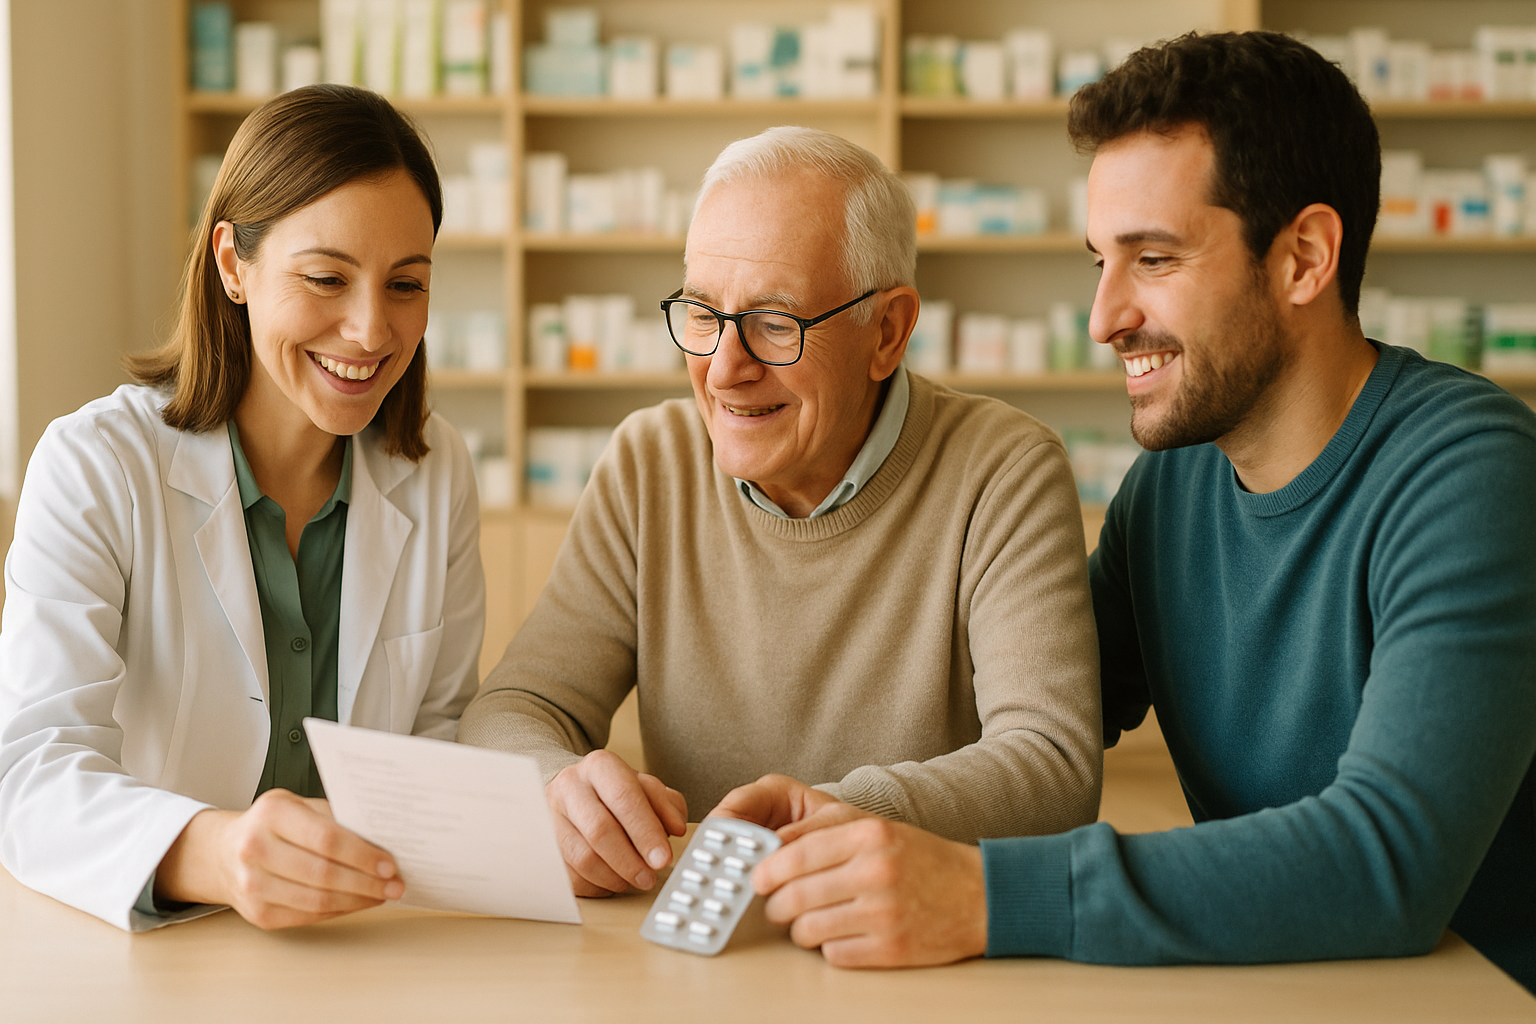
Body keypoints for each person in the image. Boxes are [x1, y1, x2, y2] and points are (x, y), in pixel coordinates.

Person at [729, 30, 1536, 988]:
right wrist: (836, 807)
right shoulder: (1170, 489)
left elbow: (1389, 860)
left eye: (1153, 258)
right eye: (1099, 263)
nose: (1104, 318)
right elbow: (1028, 721)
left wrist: (985, 895)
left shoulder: (1473, 476)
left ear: (1304, 258)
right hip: (1287, 986)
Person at [458, 126, 1102, 899]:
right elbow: (517, 707)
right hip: (701, 932)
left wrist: (844, 817)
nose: (723, 369)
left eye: (774, 323)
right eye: (703, 313)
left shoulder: (1002, 470)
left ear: (887, 332)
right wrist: (556, 788)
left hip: (904, 932)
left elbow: (1053, 765)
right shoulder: (649, 462)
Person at [0, 84, 485, 932]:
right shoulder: (95, 467)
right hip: (153, 948)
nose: (372, 330)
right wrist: (215, 853)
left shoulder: (435, 471)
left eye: (406, 284)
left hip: (369, 940)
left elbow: (438, 738)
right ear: (233, 264)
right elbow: (28, 774)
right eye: (326, 278)